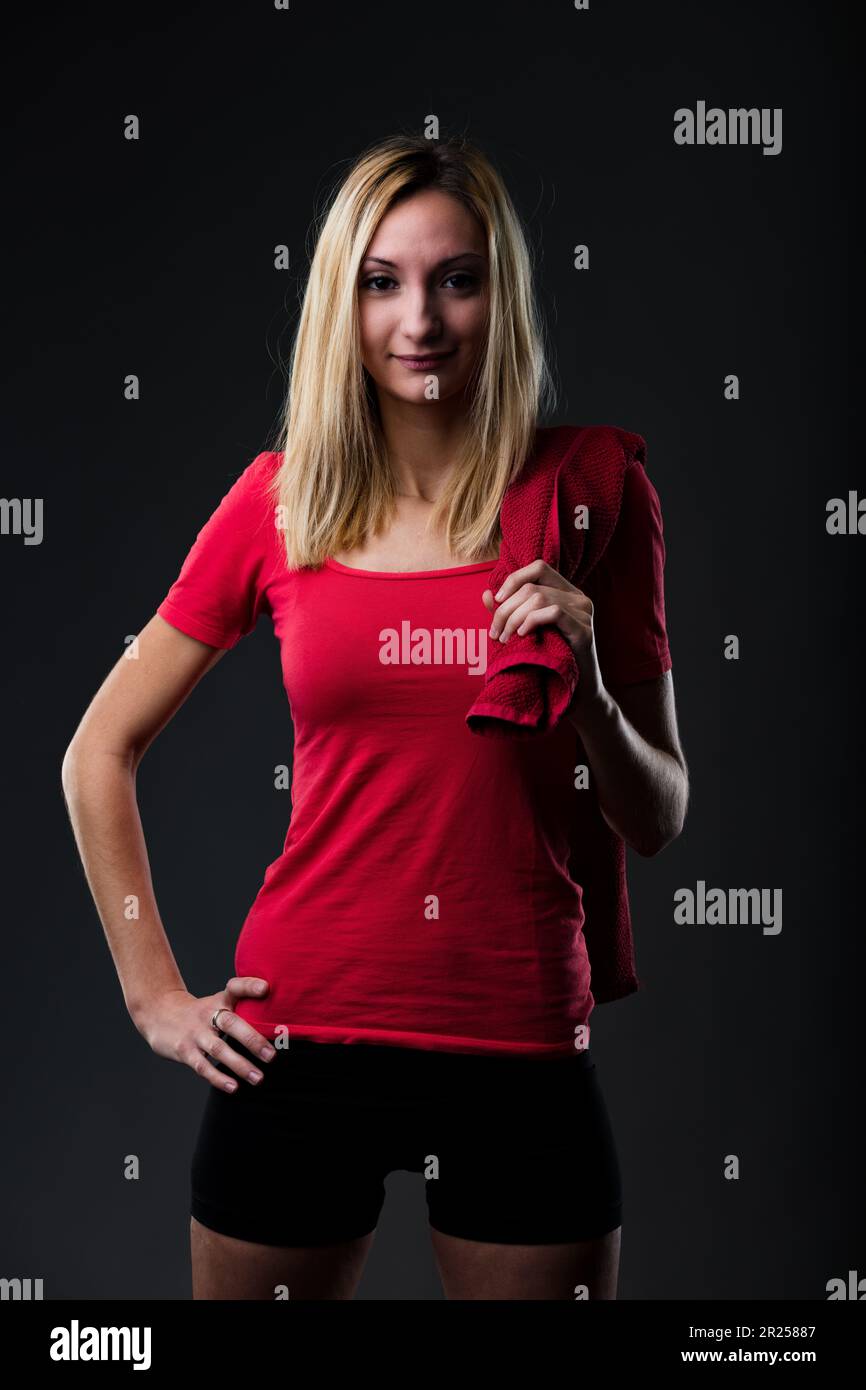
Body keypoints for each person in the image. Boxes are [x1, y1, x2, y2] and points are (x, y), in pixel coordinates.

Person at [61, 133, 689, 1301]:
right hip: (298, 1037)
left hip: (517, 1040)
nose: (420, 321)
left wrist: (589, 684)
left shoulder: (595, 496)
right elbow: (98, 748)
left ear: (498, 295)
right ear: (339, 303)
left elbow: (656, 814)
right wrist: (154, 993)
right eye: (381, 281)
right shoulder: (279, 501)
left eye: (456, 279)